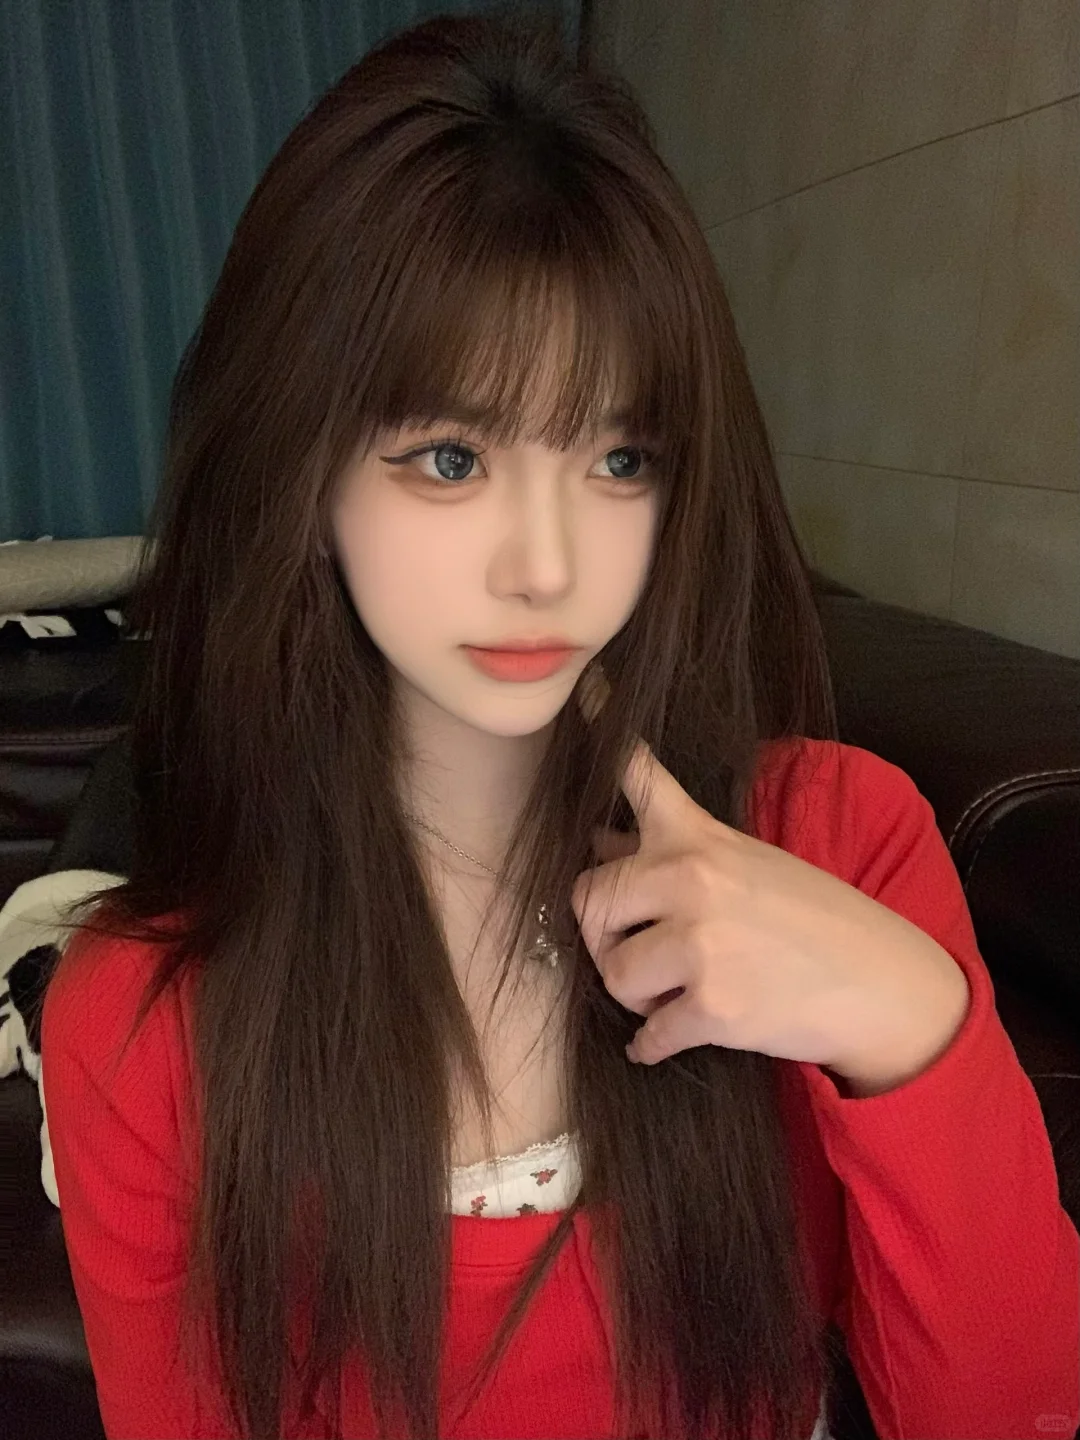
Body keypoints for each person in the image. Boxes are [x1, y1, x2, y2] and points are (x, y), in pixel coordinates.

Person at [39, 6, 1079, 1440]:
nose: (548, 564)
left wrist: (898, 1020)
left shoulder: (840, 842)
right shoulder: (141, 1022)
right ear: (304, 477)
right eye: (450, 457)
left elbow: (1012, 1410)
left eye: (620, 456)